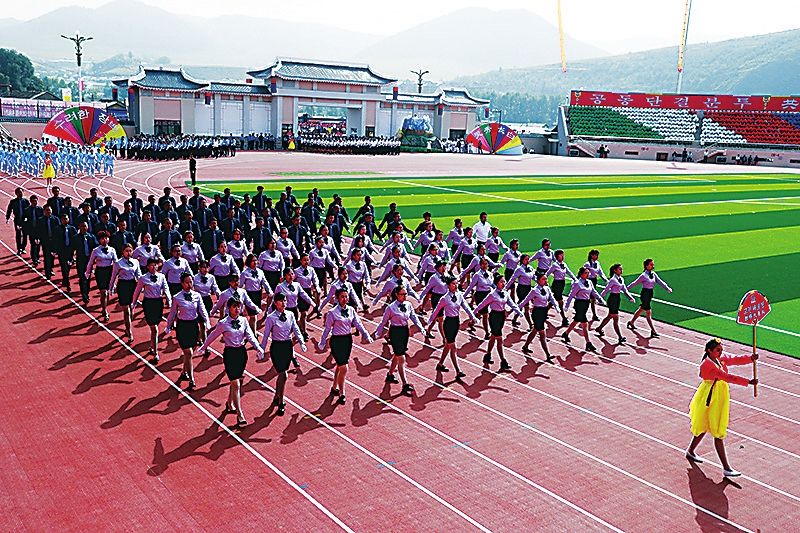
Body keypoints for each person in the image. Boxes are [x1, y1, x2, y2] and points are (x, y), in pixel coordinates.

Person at [685, 338, 758, 477]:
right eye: (718, 350)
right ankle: (726, 467)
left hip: (718, 393)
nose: (721, 352)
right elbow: (727, 376)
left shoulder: (720, 359)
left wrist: (750, 358)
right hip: (711, 396)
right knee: (717, 428)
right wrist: (748, 382)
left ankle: (690, 451)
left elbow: (735, 359)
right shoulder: (707, 365)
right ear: (709, 351)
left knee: (705, 424)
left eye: (721, 349)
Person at [198, 299, 264, 426]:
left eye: (238, 307)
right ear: (229, 308)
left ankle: (229, 403)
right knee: (236, 383)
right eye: (234, 307)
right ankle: (239, 413)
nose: (237, 309)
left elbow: (250, 335)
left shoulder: (244, 320)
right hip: (230, 354)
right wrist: (204, 346)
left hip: (241, 353)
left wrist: (258, 347)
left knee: (237, 382)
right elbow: (213, 335)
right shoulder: (223, 323)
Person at [319, 287, 374, 405]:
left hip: (347, 340)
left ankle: (334, 387)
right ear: (337, 298)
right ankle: (342, 393)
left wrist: (365, 334)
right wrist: (323, 342)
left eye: (346, 296)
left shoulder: (351, 310)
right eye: (342, 297)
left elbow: (357, 323)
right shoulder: (332, 313)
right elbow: (327, 328)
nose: (345, 299)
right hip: (337, 341)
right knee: (344, 367)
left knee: (340, 366)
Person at [259, 292, 307, 416]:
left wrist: (301, 342)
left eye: (285, 301)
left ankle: (277, 395)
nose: (284, 303)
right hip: (277, 347)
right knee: (283, 375)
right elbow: (265, 335)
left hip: (287, 346)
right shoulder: (271, 317)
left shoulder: (290, 314)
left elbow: (295, 328)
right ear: (275, 303)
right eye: (281, 301)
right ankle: (281, 402)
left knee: (282, 375)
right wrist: (262, 349)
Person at [374, 285, 424, 394]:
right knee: (401, 358)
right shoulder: (391, 308)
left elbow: (413, 316)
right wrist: (378, 332)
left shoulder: (408, 305)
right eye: (402, 294)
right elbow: (384, 322)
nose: (405, 296)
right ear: (396, 294)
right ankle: (405, 384)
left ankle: (390, 374)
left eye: (406, 294)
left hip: (404, 332)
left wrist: (421, 327)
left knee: (397, 356)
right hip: (395, 332)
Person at [164, 273, 211, 390]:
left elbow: (203, 310)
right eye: (187, 282)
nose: (189, 284)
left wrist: (207, 321)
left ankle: (184, 371)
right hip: (183, 327)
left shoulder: (197, 296)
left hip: (193, 325)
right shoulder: (177, 297)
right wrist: (168, 326)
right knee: (188, 352)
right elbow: (172, 313)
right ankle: (191, 379)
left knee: (190, 352)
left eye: (191, 282)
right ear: (182, 283)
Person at [474, 274, 523, 370]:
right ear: (497, 283)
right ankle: (503, 361)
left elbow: (512, 304)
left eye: (504, 282)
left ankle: (487, 355)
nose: (504, 283)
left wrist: (519, 312)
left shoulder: (505, 293)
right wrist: (474, 313)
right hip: (494, 317)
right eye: (501, 282)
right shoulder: (492, 295)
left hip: (501, 317)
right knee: (499, 340)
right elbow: (482, 304)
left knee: (493, 337)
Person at [432, 276, 477, 379]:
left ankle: (440, 364)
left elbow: (466, 307)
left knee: (448, 345)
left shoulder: (459, 296)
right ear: (448, 285)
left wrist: (473, 317)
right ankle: (458, 370)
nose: (456, 285)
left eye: (456, 283)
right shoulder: (444, 298)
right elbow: (436, 310)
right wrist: (430, 320)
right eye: (453, 284)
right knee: (453, 347)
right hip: (448, 323)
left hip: (456, 322)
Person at [132, 258, 172, 362]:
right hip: (148, 303)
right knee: (154, 327)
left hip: (158, 303)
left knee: (155, 327)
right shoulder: (143, 278)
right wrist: (134, 303)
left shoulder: (162, 277)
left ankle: (152, 345)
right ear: (148, 267)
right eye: (151, 265)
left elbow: (166, 289)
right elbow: (137, 291)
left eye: (156, 265)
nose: (154, 267)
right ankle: (156, 352)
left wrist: (169, 300)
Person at [627, 258, 672, 338]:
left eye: (653, 264)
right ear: (646, 266)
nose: (653, 266)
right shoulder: (643, 275)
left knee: (641, 309)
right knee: (648, 313)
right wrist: (626, 289)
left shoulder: (653, 274)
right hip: (645, 294)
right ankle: (653, 330)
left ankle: (631, 322)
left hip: (650, 294)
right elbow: (635, 282)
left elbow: (660, 281)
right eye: (651, 265)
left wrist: (667, 288)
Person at [562, 267, 604, 352]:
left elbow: (593, 291)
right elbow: (571, 294)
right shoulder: (577, 283)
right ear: (581, 274)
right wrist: (566, 305)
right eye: (585, 273)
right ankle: (588, 343)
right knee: (585, 324)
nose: (587, 274)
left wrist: (600, 299)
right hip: (579, 304)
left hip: (585, 304)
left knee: (576, 320)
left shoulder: (589, 282)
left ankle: (566, 333)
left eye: (588, 273)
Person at [520, 273, 559, 361]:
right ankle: (548, 355)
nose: (546, 281)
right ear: (538, 280)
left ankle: (525, 346)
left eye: (546, 279)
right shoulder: (534, 290)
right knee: (542, 334)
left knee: (534, 331)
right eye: (543, 279)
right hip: (537, 312)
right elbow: (526, 300)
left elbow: (552, 298)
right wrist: (518, 308)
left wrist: (557, 307)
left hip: (544, 312)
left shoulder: (547, 289)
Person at [108, 244, 142, 341]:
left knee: (131, 308)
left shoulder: (135, 262)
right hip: (123, 285)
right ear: (123, 252)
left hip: (132, 285)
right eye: (126, 251)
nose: (129, 253)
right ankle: (129, 332)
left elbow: (138, 274)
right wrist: (111, 287)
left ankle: (128, 327)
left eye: (130, 251)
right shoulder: (118, 263)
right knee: (126, 309)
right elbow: (113, 276)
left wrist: (142, 285)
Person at [596, 264, 635, 344]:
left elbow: (624, 290)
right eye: (620, 269)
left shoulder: (621, 279)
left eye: (621, 269)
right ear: (615, 270)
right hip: (613, 299)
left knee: (609, 316)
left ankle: (599, 328)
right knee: (615, 319)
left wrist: (630, 297)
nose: (621, 270)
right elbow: (606, 290)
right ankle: (620, 337)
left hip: (617, 299)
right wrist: (600, 298)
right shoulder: (613, 280)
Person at [84, 231, 118, 322]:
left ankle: (104, 306)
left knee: (107, 291)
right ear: (99, 240)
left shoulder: (112, 250)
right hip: (100, 271)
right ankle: (105, 310)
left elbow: (116, 262)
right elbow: (91, 262)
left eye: (106, 238)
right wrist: (87, 272)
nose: (105, 240)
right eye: (103, 238)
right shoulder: (96, 250)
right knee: (103, 292)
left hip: (109, 271)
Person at [239, 253, 273, 332]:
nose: (254, 262)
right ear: (249, 262)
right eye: (252, 261)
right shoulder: (244, 273)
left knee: (254, 315)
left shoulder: (260, 272)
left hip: (258, 294)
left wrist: (269, 291)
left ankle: (249, 331)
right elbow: (240, 285)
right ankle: (253, 334)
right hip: (249, 295)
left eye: (256, 260)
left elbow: (265, 282)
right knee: (253, 316)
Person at [193, 260, 220, 353]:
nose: (205, 269)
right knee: (202, 323)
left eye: (207, 267)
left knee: (203, 322)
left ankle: (200, 339)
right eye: (203, 267)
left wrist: (220, 295)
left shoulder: (211, 277)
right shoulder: (195, 278)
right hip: (198, 301)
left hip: (207, 300)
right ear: (199, 268)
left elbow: (215, 287)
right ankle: (205, 346)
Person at [545, 249, 576, 327]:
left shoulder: (564, 264)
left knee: (553, 300)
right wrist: (544, 282)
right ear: (557, 256)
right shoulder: (555, 265)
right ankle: (564, 319)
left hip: (562, 283)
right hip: (557, 284)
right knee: (560, 302)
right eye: (561, 255)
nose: (563, 256)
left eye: (563, 255)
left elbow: (569, 272)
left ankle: (543, 312)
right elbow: (547, 274)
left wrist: (576, 280)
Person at [584, 249, 608, 322]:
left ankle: (594, 315)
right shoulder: (587, 264)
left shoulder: (597, 263)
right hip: (587, 282)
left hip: (594, 281)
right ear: (591, 255)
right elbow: (584, 273)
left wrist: (606, 281)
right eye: (595, 255)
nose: (597, 256)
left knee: (593, 299)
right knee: (586, 299)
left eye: (597, 255)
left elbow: (601, 273)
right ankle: (583, 313)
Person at [6, 188, 30, 255]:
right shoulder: (13, 202)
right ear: (16, 193)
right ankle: (19, 248)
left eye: (21, 192)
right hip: (17, 220)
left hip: (24, 221)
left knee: (25, 234)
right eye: (19, 192)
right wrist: (7, 217)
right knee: (18, 234)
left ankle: (23, 247)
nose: (20, 194)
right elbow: (9, 209)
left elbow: (29, 210)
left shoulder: (26, 201)